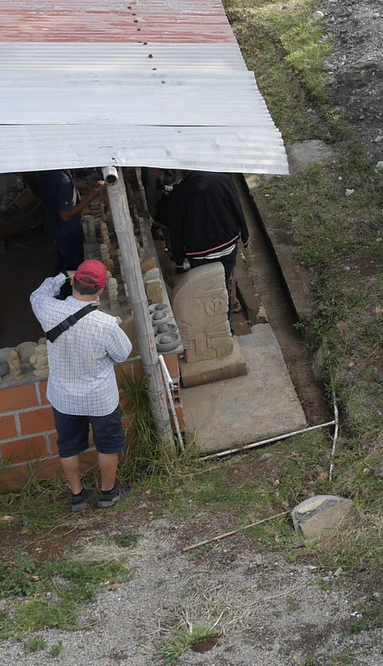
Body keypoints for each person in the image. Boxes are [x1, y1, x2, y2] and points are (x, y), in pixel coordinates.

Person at [30, 260, 133, 511]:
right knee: (107, 444)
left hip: (64, 397)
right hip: (100, 398)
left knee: (68, 446)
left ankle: (77, 495)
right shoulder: (106, 324)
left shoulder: (47, 309)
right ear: (100, 291)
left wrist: (63, 275)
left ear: (74, 282)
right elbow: (123, 353)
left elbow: (37, 293)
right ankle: (107, 494)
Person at [155, 170, 248, 311]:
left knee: (206, 290)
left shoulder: (179, 193)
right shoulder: (223, 180)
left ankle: (215, 320)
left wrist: (179, 261)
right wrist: (245, 237)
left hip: (198, 252)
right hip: (227, 244)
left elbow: (176, 229)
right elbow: (237, 207)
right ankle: (228, 321)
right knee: (227, 283)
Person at [30, 170, 102, 285]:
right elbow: (66, 215)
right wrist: (91, 197)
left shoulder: (46, 171)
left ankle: (57, 284)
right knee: (72, 265)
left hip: (55, 225)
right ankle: (66, 292)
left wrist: (85, 186)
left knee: (63, 260)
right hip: (68, 232)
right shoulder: (64, 182)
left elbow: (62, 187)